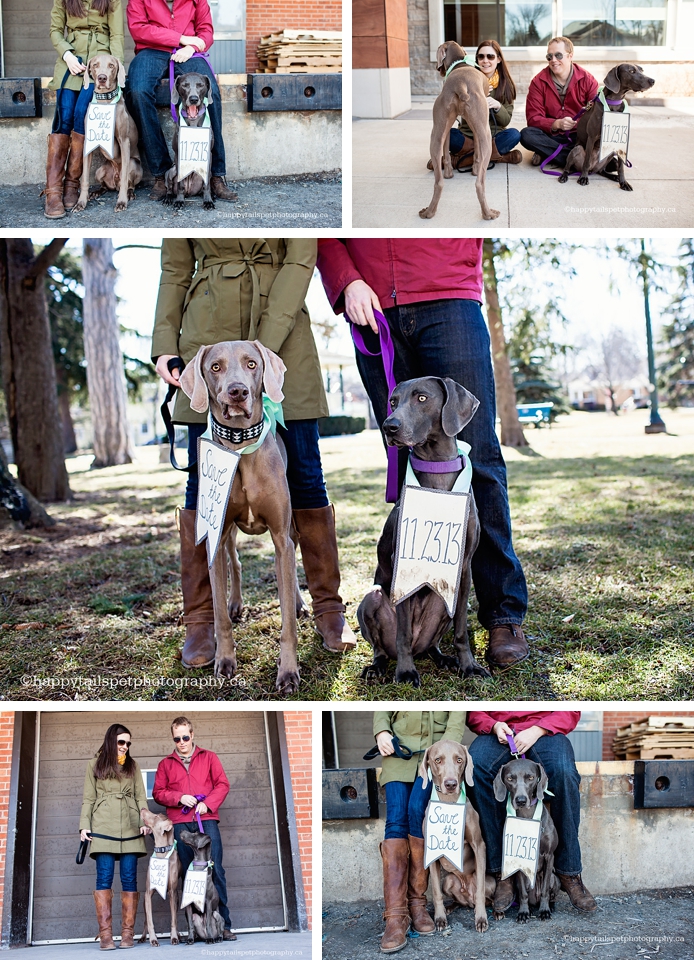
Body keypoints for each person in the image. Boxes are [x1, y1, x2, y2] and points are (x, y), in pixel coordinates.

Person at [316, 239, 528, 670]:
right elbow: (328, 232)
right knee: (407, 455)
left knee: (479, 458)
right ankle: (408, 614)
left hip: (447, 292)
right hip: (370, 301)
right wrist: (346, 280)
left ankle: (502, 616)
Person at [151, 238, 355, 668]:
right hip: (207, 325)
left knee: (305, 471)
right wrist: (165, 340)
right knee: (200, 487)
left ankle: (328, 608)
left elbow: (302, 257)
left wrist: (260, 350)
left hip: (282, 333)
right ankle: (202, 619)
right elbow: (174, 267)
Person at [466, 710, 598, 914]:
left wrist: (538, 729)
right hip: (499, 733)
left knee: (564, 772)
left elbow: (571, 709)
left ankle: (568, 872)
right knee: (477, 767)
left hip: (544, 730)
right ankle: (503, 874)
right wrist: (493, 726)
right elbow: (474, 712)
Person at [372, 711, 466, 953]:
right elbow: (382, 711)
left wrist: (444, 760)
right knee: (395, 820)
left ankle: (417, 904)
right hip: (397, 752)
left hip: (434, 759)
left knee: (417, 812)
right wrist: (382, 731)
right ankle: (395, 915)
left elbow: (455, 723)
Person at [124, 0, 237, 202]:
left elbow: (206, 32)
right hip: (151, 50)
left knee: (212, 92)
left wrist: (191, 46)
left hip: (188, 52)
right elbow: (138, 29)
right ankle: (162, 174)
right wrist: (181, 38)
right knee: (138, 91)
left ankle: (216, 175)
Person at [152, 716, 236, 940]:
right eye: (177, 738)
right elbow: (158, 792)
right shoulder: (165, 764)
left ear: (192, 735)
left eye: (185, 737)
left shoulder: (209, 757)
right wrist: (180, 797)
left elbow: (222, 784)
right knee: (189, 874)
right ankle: (196, 928)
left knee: (215, 869)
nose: (181, 742)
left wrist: (207, 803)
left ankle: (223, 924)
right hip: (181, 823)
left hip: (205, 819)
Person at [45, 0, 124, 219]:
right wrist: (67, 55)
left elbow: (117, 36)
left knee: (82, 115)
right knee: (64, 115)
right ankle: (53, 191)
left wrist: (116, 71)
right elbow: (55, 31)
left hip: (100, 65)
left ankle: (72, 184)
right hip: (71, 61)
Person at [79, 723, 149, 950]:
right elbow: (88, 799)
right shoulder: (94, 765)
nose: (125, 747)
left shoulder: (133, 766)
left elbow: (141, 798)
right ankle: (106, 936)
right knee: (104, 879)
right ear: (111, 740)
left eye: (128, 743)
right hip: (102, 825)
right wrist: (84, 826)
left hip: (129, 825)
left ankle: (127, 934)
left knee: (129, 878)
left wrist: (144, 822)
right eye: (121, 742)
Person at [520, 36, 598, 167]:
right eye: (549, 57)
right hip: (550, 135)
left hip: (578, 137)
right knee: (526, 135)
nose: (553, 60)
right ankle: (576, 160)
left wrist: (576, 124)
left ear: (570, 56)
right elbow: (533, 118)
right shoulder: (538, 82)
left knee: (595, 140)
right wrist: (556, 124)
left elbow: (595, 116)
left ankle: (547, 153)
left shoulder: (588, 80)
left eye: (558, 55)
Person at [447, 40, 521, 168]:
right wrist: (475, 97)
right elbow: (456, 111)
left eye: (490, 56)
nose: (485, 60)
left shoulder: (506, 85)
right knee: (448, 135)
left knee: (514, 135)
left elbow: (506, 120)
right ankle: (497, 157)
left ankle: (459, 161)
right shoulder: (466, 78)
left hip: (493, 136)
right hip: (468, 136)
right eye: (481, 56)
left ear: (498, 59)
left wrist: (498, 106)